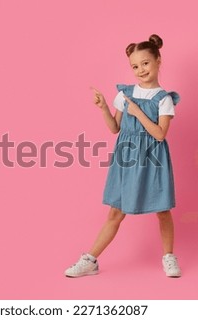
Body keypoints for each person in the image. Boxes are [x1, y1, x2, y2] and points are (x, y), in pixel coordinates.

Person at [65, 34, 182, 278]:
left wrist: (138, 112)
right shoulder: (125, 93)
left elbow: (160, 134)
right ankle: (90, 260)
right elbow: (114, 128)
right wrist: (104, 107)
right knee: (115, 212)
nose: (140, 70)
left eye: (146, 63)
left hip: (153, 160)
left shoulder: (164, 99)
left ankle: (169, 257)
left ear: (158, 60)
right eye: (135, 66)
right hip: (126, 159)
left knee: (162, 210)